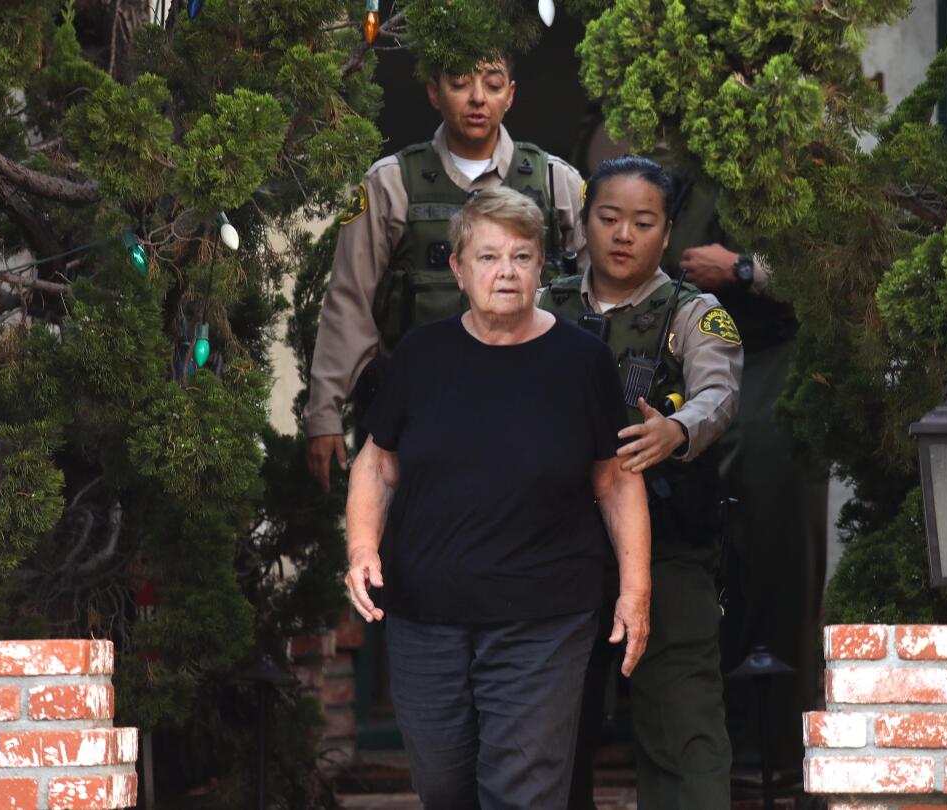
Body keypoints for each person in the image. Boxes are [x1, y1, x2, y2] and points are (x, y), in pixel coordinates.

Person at [343, 187, 650, 809]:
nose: (505, 272)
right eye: (487, 257)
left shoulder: (582, 361)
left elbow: (616, 479)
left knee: (522, 790)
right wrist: (361, 546)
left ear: (541, 267)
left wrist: (635, 593)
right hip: (426, 617)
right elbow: (377, 462)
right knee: (444, 786)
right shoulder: (421, 357)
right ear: (458, 269)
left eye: (521, 257)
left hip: (544, 619)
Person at [539, 157, 743, 810]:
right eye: (609, 218)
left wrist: (676, 431)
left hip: (668, 550)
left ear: (667, 232)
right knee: (548, 736)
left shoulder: (692, 312)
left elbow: (719, 392)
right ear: (585, 223)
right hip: (557, 548)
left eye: (643, 221)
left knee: (683, 731)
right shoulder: (544, 304)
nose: (624, 234)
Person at [305, 55, 586, 489]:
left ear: (510, 95)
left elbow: (595, 295)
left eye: (492, 85)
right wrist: (324, 412)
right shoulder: (392, 183)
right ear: (434, 91)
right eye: (460, 83)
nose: (477, 98)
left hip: (531, 412)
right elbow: (349, 302)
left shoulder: (553, 181)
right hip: (416, 416)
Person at [662, 166, 829, 778]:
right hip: (688, 373)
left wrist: (739, 268)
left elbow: (828, 268)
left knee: (776, 558)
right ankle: (704, 750)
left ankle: (772, 751)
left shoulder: (795, 158)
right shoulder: (680, 169)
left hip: (774, 368)